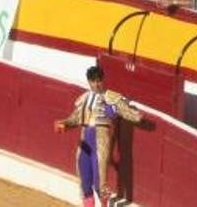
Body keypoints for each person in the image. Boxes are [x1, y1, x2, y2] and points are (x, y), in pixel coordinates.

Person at [54, 65, 144, 207]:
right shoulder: (84, 98)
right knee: (85, 184)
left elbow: (130, 113)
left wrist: (126, 112)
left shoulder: (111, 97)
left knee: (100, 184)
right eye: (93, 81)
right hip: (84, 143)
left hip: (100, 143)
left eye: (99, 80)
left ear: (103, 80)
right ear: (89, 81)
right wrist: (64, 124)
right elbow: (75, 119)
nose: (97, 84)